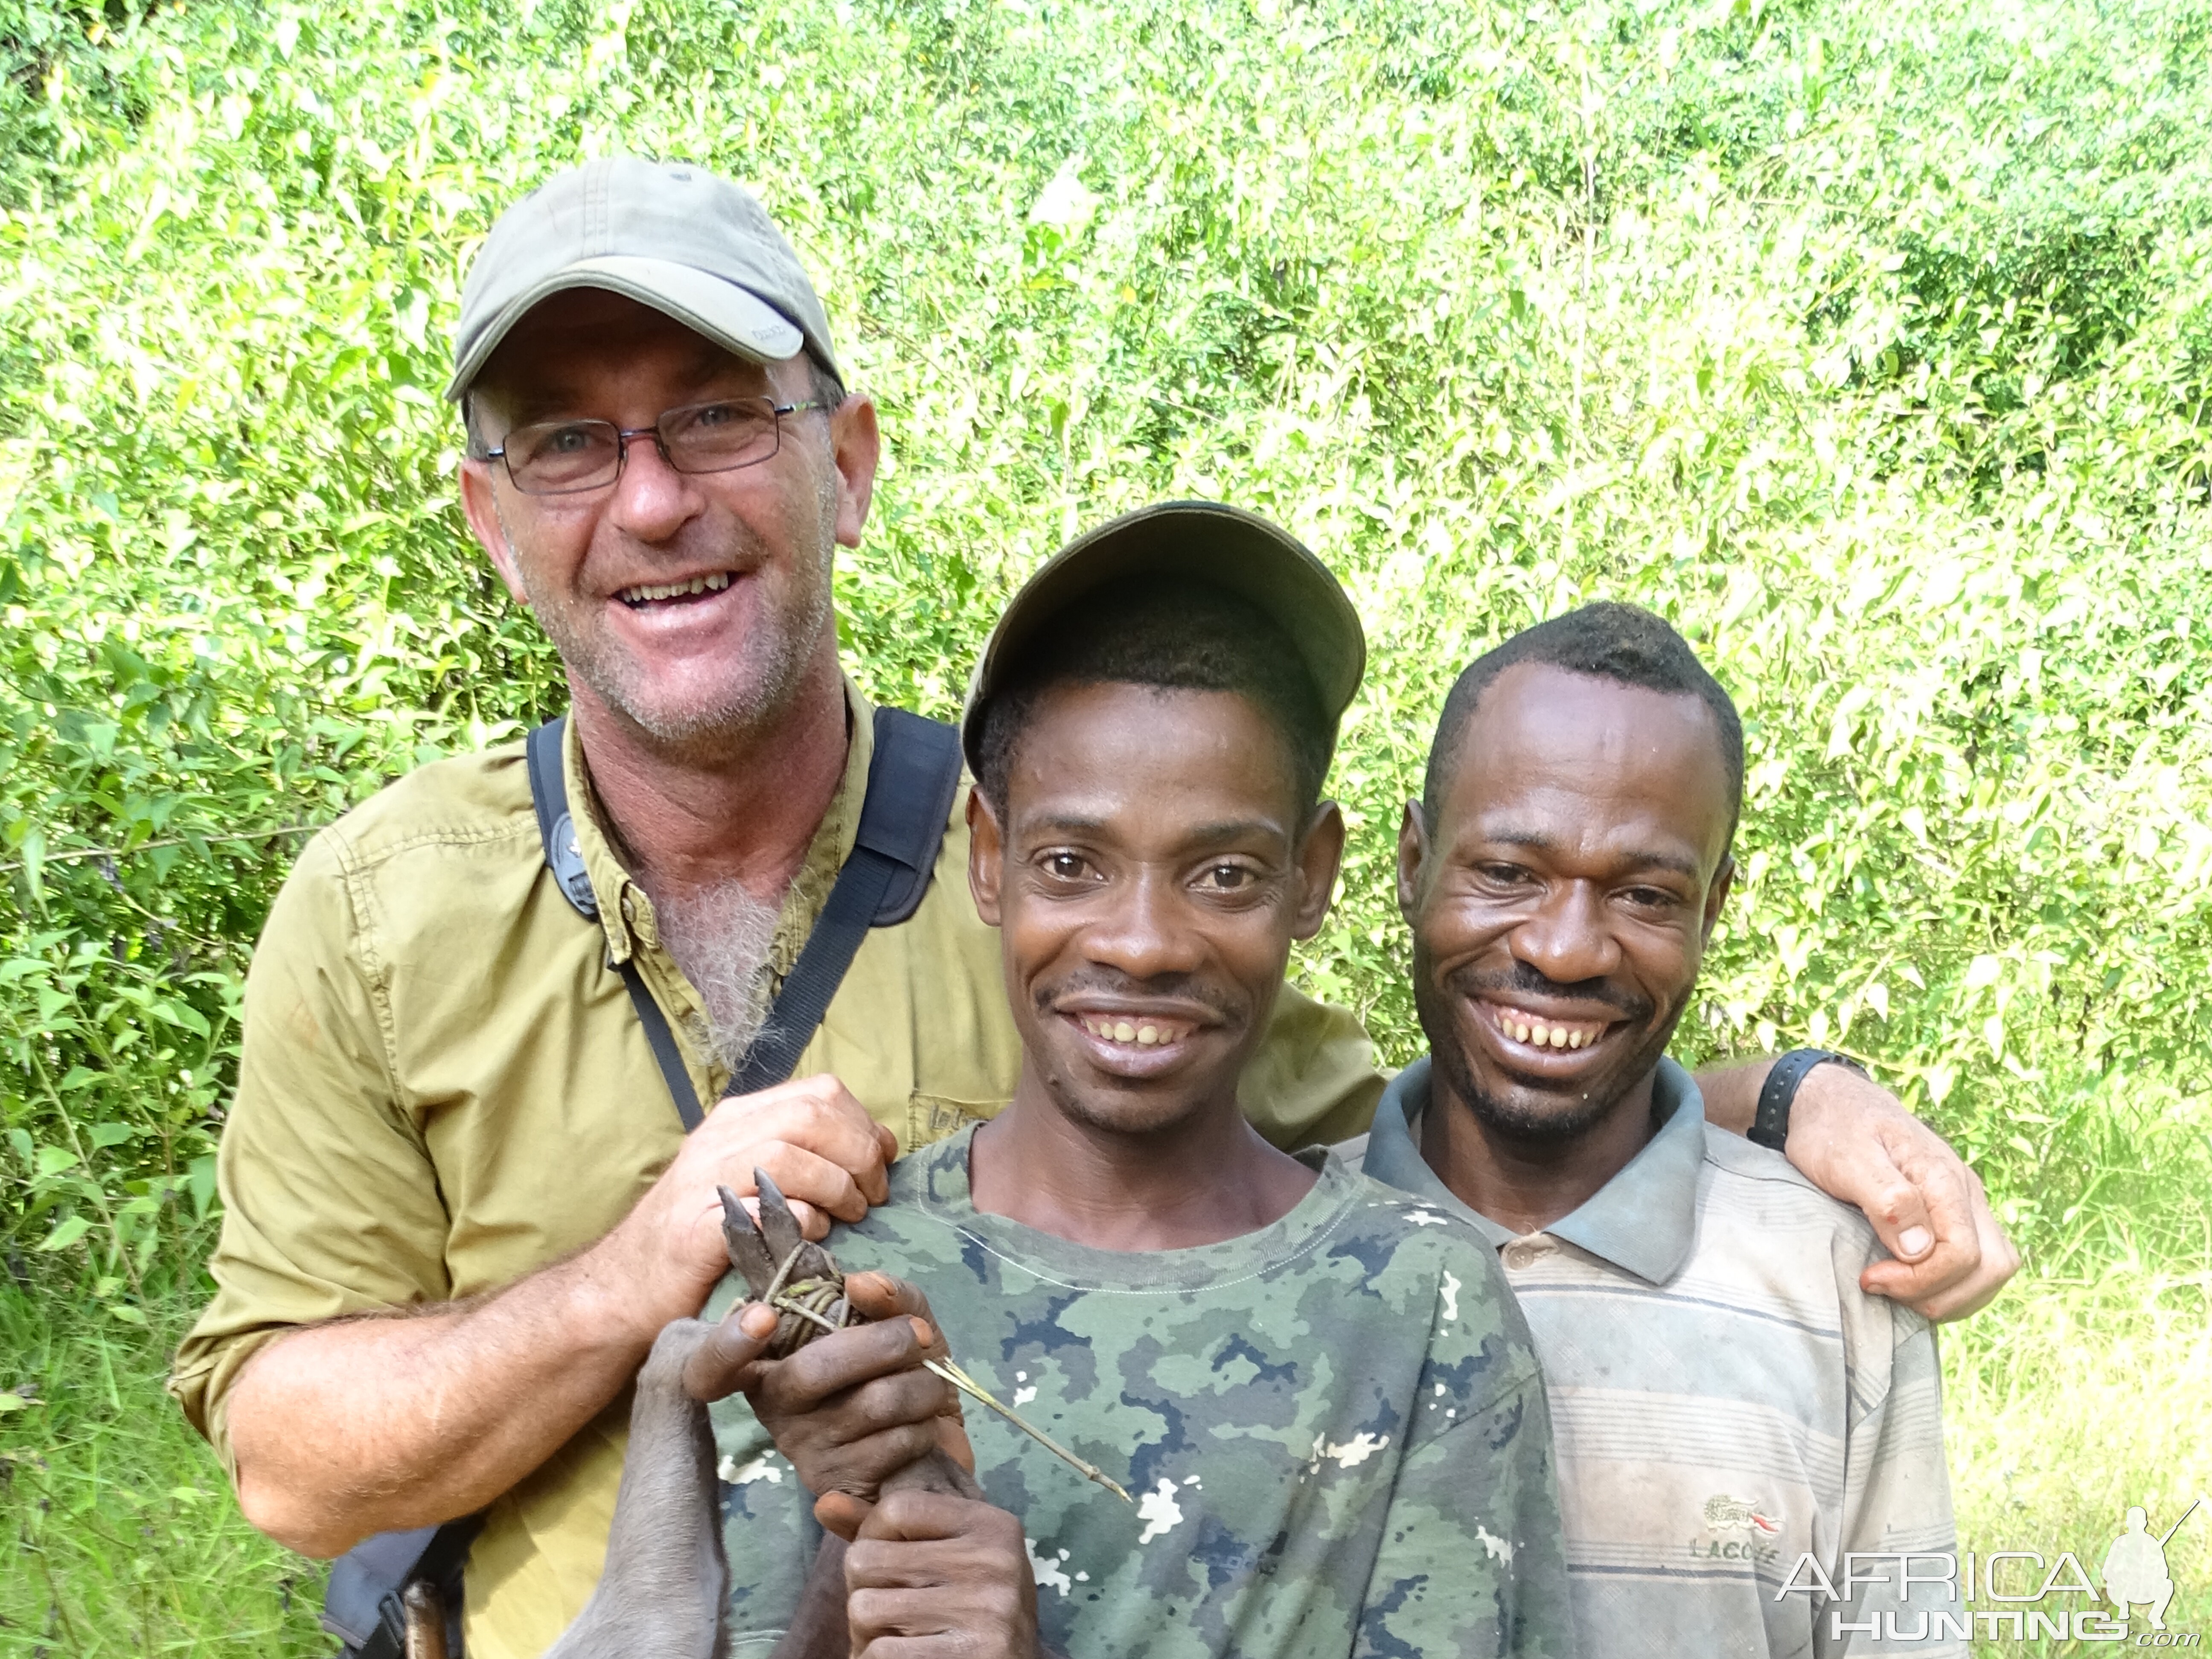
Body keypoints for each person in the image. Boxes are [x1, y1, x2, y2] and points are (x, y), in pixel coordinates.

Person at [165, 155, 2008, 1657]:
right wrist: (638, 1279)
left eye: (719, 417)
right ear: (491, 516)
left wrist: (1778, 1098)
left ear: (847, 464)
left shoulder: (1083, 886)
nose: (650, 500)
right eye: (566, 441)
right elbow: (289, 1471)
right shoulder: (383, 913)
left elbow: (1449, 1092)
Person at [690, 503, 1576, 1659]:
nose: (1145, 943)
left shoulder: (1419, 1310)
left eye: (1222, 873)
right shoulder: (831, 1299)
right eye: (1072, 865)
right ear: (991, 861)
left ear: (1312, 878)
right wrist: (859, 1549)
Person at [1352, 603, 1965, 1655]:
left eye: (1642, 894)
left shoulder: (1835, 1286)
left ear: (1712, 910)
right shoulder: (1263, 1244)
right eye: (1507, 873)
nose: (1567, 948)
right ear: (1413, 863)